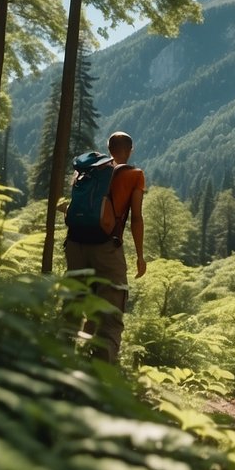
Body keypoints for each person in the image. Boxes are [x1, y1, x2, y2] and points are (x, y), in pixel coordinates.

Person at [64, 130, 147, 364]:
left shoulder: (88, 170)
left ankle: (60, 361)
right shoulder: (134, 175)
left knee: (73, 305)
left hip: (75, 243)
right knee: (110, 316)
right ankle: (99, 375)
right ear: (130, 150)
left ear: (108, 149)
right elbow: (136, 218)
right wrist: (140, 256)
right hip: (106, 249)